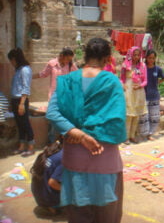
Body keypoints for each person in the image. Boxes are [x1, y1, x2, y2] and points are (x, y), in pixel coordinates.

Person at [46, 37, 126, 223]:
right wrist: (87, 135)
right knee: (106, 217)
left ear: (85, 55)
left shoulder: (66, 81)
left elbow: (52, 113)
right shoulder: (111, 81)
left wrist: (76, 133)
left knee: (79, 216)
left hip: (74, 159)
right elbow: (116, 121)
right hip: (103, 159)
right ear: (108, 58)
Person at [33, 47, 77, 145]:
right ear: (62, 56)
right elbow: (43, 74)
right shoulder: (52, 63)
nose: (69, 61)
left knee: (65, 119)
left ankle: (63, 142)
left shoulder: (71, 65)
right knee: (53, 118)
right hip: (54, 96)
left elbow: (77, 76)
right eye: (68, 59)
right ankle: (52, 143)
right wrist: (30, 76)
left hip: (66, 97)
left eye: (70, 59)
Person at [8, 48, 35, 157]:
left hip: (21, 100)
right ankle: (21, 146)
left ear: (15, 59)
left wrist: (22, 104)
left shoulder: (25, 70)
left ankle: (31, 147)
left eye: (11, 60)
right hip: (15, 100)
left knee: (25, 124)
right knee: (20, 125)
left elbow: (25, 88)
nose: (11, 63)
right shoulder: (18, 70)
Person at [120, 46, 147, 144]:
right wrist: (123, 85)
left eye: (138, 55)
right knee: (128, 114)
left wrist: (140, 86)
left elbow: (145, 81)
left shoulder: (143, 66)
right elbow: (121, 78)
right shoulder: (125, 65)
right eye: (134, 55)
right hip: (129, 90)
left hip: (139, 91)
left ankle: (132, 136)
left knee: (136, 115)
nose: (136, 57)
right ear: (131, 55)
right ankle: (125, 137)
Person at [31, 139, 63, 215]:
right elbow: (52, 183)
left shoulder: (52, 149)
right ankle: (53, 205)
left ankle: (50, 204)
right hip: (48, 199)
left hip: (39, 196)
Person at [139, 49, 164, 141]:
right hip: (144, 95)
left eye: (153, 58)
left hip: (154, 95)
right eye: (149, 58)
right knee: (144, 116)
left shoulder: (157, 69)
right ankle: (144, 134)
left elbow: (163, 77)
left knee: (154, 117)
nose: (151, 60)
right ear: (146, 58)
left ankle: (150, 134)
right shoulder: (142, 68)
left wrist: (158, 82)